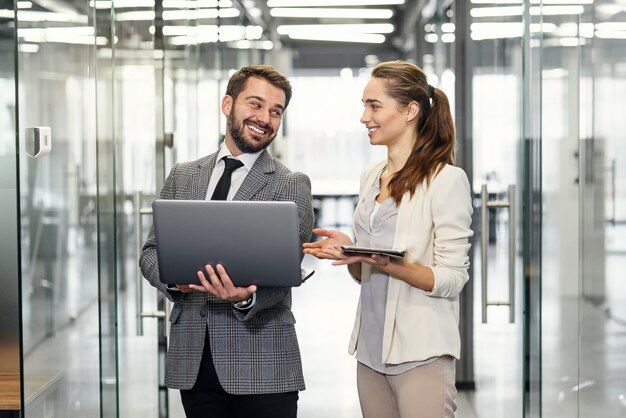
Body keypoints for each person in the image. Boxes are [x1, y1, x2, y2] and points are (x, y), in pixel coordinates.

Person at [140, 65, 314, 418]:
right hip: (194, 361)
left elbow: (285, 272)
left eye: (276, 112)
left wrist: (247, 297)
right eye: (255, 104)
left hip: (263, 363)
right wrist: (177, 280)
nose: (265, 118)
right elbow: (150, 253)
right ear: (227, 105)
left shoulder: (290, 183)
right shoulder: (184, 175)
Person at [303, 60, 473, 418]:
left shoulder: (446, 180)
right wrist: (351, 251)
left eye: (374, 106)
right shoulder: (371, 176)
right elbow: (366, 271)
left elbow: (452, 278)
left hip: (420, 354)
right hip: (370, 350)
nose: (364, 117)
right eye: (364, 106)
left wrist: (391, 265)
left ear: (410, 110)